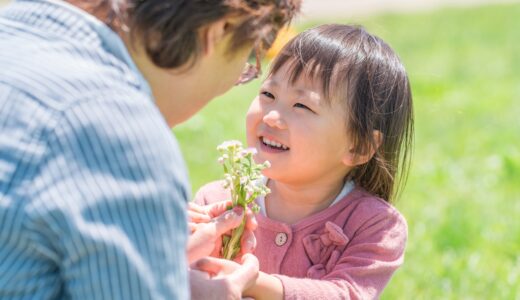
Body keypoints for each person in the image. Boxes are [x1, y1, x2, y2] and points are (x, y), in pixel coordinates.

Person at [0, 0, 300, 299]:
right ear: (221, 29)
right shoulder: (124, 138)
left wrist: (151, 254)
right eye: (246, 60)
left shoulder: (14, 31)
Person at [193, 24, 414, 299]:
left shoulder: (374, 224)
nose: (272, 116)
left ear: (358, 146)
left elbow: (346, 293)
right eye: (268, 95)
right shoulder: (217, 202)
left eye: (302, 106)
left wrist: (253, 283)